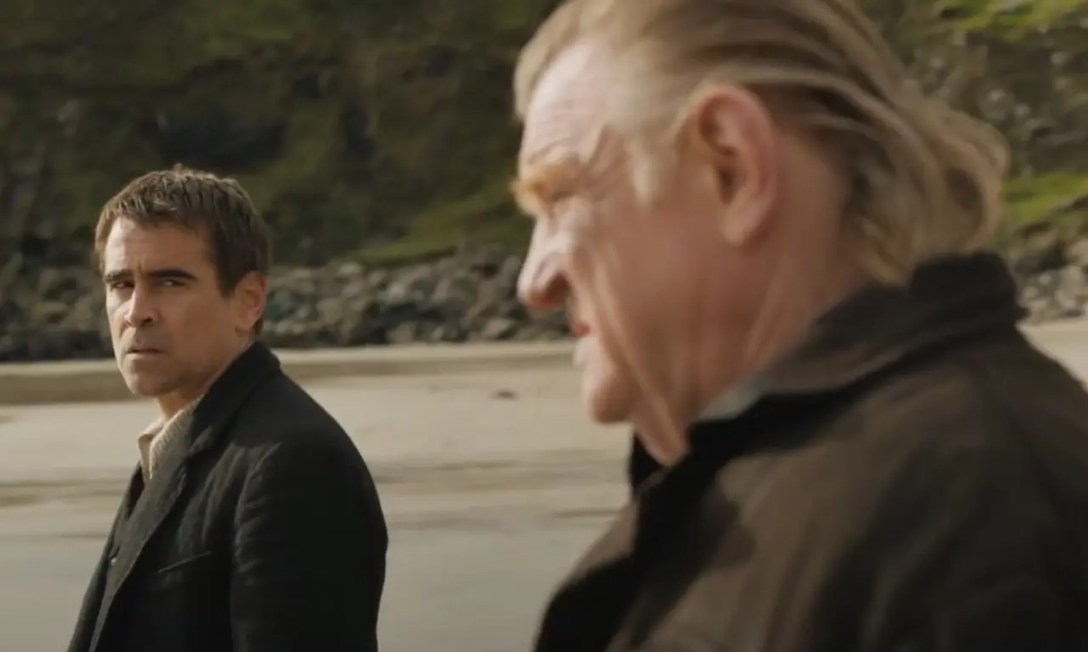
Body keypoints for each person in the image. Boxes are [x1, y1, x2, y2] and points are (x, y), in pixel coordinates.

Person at [510, 1, 1088, 650]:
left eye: (560, 198)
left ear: (733, 167)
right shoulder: (858, 488)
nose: (534, 283)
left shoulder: (974, 509)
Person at [67, 166, 388, 652]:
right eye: (121, 284)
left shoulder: (292, 463)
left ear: (249, 301)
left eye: (169, 282)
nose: (136, 312)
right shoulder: (176, 445)